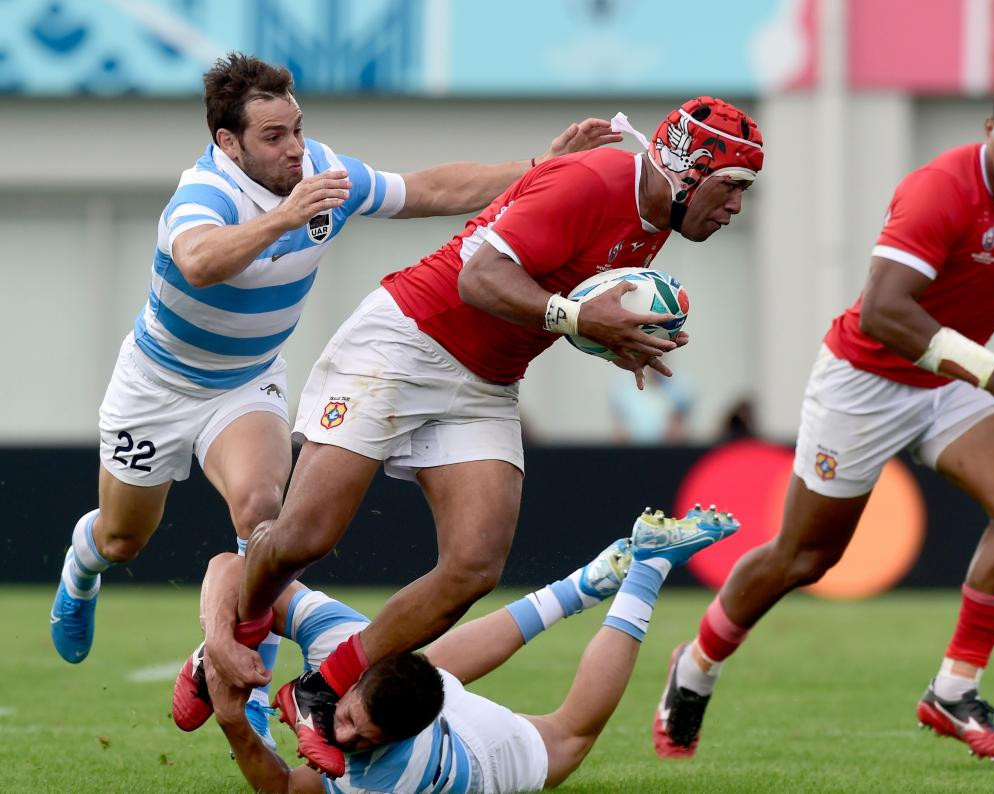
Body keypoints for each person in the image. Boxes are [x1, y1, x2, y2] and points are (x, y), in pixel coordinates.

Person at [184, 96, 765, 771]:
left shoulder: (652, 216)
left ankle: (321, 687)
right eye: (732, 186)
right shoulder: (596, 180)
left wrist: (609, 337)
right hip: (404, 344)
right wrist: (581, 319)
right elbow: (480, 276)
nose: (736, 207)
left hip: (486, 378)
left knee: (474, 565)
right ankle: (227, 644)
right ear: (688, 169)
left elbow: (554, 300)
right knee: (305, 538)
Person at [48, 51, 619, 737]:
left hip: (246, 380)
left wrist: (540, 170)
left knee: (264, 513)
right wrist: (284, 219)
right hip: (158, 385)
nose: (293, 148)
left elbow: (427, 190)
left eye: (296, 129)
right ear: (226, 143)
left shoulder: (317, 170)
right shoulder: (205, 194)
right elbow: (199, 262)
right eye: (272, 137)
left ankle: (242, 678)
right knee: (123, 538)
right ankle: (83, 567)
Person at [652, 78, 994, 762]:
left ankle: (953, 691)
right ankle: (694, 667)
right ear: (990, 127)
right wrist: (989, 369)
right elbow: (883, 313)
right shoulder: (942, 189)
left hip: (953, 379)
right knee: (805, 557)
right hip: (866, 378)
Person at [185, 506, 739, 790]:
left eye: (361, 736)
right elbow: (233, 569)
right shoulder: (348, 646)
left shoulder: (378, 780)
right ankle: (586, 584)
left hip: (475, 758)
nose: (343, 735)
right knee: (426, 664)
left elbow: (282, 788)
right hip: (401, 683)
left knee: (571, 734)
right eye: (350, 718)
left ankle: (649, 568)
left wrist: (238, 723)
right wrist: (222, 639)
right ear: (358, 674)